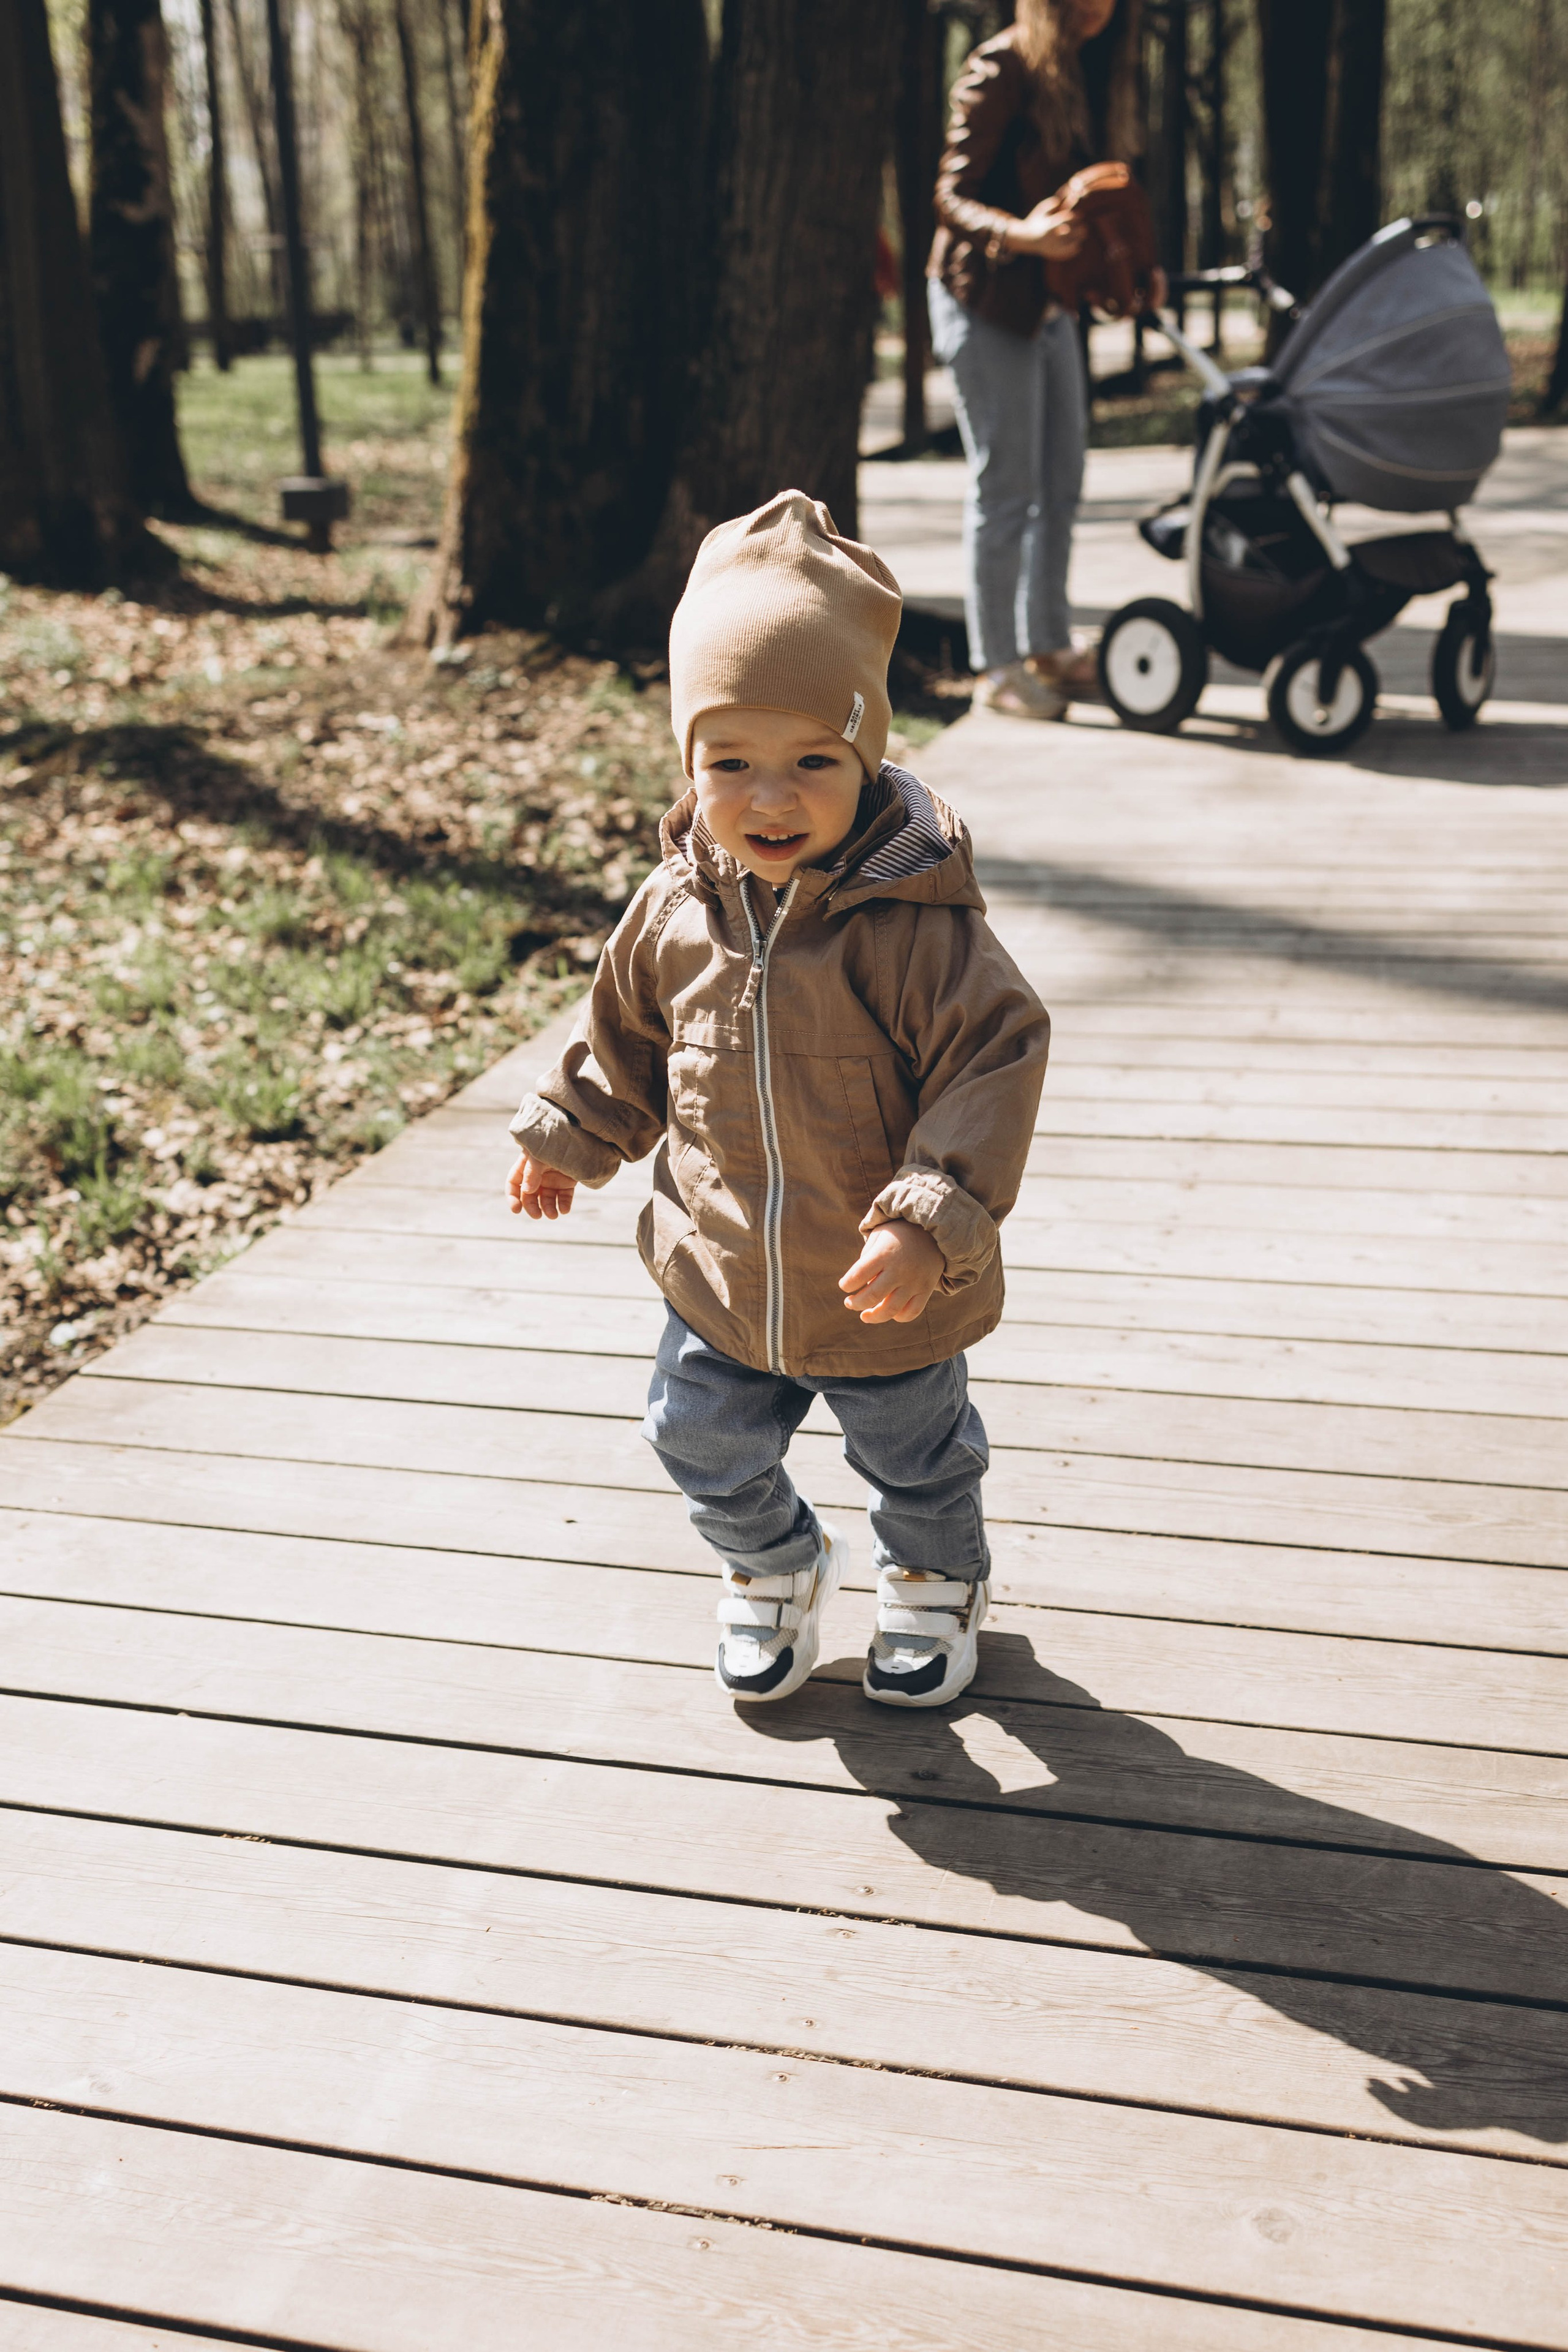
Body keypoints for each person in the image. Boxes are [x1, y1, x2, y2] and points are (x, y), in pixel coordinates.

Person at [506, 491, 1050, 1711]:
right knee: (692, 1432)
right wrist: (570, 1131)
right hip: (723, 1267)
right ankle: (773, 1561)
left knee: (915, 1456)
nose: (769, 799)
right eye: (730, 765)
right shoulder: (673, 913)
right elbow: (624, 1038)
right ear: (689, 767)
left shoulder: (914, 927)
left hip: (881, 1283)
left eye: (812, 763)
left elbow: (993, 1060)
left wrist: (931, 1220)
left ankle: (935, 1579)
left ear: (866, 761)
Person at [929, 0, 1158, 719]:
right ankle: (997, 668)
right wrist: (1021, 236)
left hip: (1051, 305)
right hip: (986, 299)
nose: (1095, 7)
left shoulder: (1101, 71)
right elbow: (950, 196)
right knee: (1006, 488)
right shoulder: (1001, 65)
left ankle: (1048, 645)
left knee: (1061, 480)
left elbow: (1103, 199)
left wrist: (1139, 265)